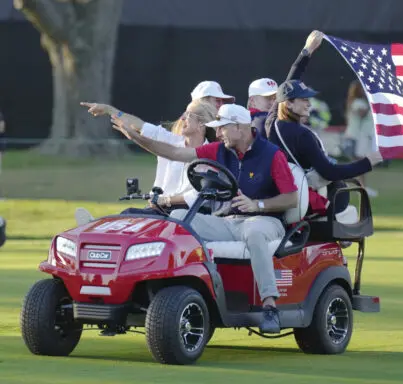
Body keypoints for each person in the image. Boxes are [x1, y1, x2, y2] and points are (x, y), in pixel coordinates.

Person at [114, 103, 298, 334]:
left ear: (240, 128)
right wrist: (136, 138)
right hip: (227, 221)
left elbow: (291, 198)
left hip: (265, 220)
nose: (217, 133)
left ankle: (270, 306)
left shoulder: (272, 155)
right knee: (179, 218)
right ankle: (171, 289)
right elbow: (174, 152)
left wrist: (257, 204)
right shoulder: (219, 150)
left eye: (222, 128)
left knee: (255, 233)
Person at [265, 30, 383, 218]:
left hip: (286, 196)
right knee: (351, 213)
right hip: (308, 202)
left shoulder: (271, 123)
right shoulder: (301, 134)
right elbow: (329, 172)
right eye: (303, 99)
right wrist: (367, 163)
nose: (309, 103)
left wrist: (307, 51)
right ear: (289, 104)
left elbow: (289, 82)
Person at [77, 99, 217, 223]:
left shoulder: (210, 153)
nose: (182, 119)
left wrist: (166, 200)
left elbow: (200, 194)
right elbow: (140, 125)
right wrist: (109, 110)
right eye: (184, 114)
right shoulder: (171, 141)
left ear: (202, 124)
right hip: (161, 209)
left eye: (188, 115)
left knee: (130, 216)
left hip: (189, 214)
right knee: (130, 215)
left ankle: (96, 227)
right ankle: (97, 227)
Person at [342, 79, 378, 197]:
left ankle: (361, 187)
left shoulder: (356, 102)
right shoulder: (357, 102)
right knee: (360, 163)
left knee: (359, 163)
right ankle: (361, 187)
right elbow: (361, 114)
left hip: (358, 136)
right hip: (357, 137)